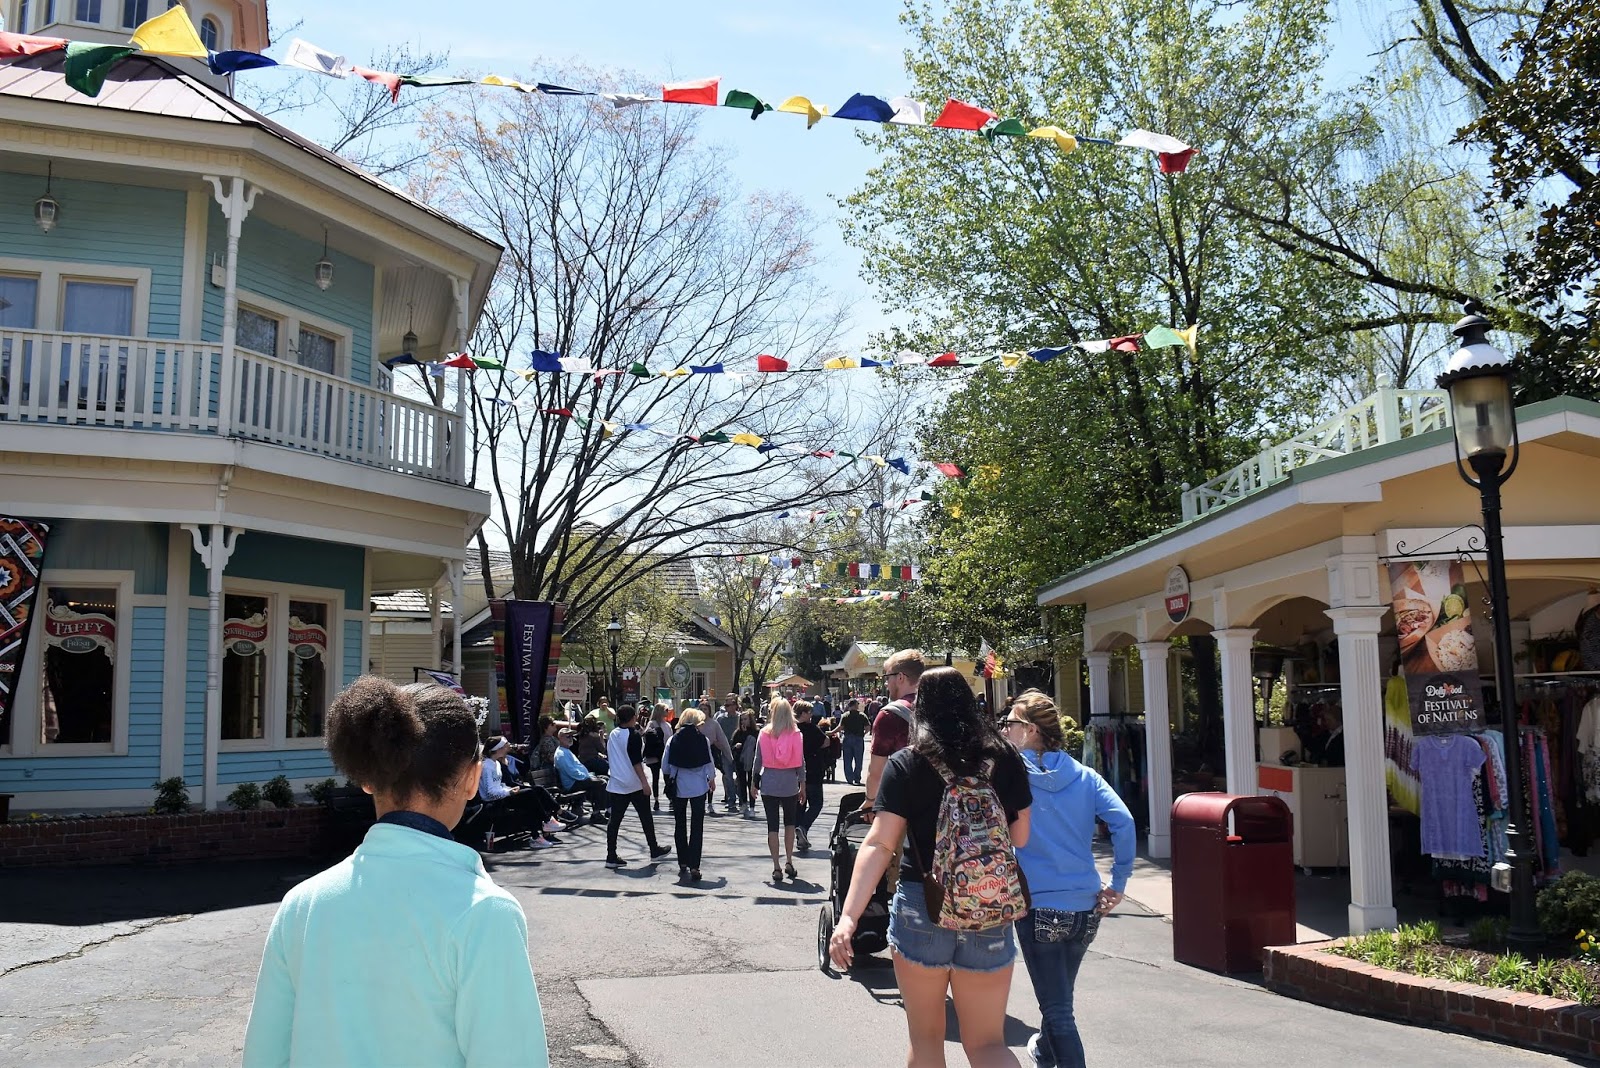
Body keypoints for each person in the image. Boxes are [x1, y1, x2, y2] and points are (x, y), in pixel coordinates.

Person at [242, 678, 548, 1067]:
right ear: (473, 778)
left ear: (367, 778)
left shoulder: (302, 905)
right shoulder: (484, 913)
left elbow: (264, 1054)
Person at [829, 667, 1032, 1068]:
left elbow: (880, 844)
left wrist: (848, 918)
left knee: (926, 1041)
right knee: (988, 1044)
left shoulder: (907, 762)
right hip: (989, 903)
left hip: (922, 905)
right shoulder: (1005, 757)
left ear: (921, 708)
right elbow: (1021, 837)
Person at [1002, 690, 1133, 1068]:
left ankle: (1053, 1053)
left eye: (1010, 723)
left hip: (1038, 904)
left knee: (1058, 1009)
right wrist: (1118, 883)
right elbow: (1123, 822)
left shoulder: (1012, 777)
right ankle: (1045, 1052)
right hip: (1084, 906)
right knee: (1058, 1000)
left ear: (1030, 730)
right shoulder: (1085, 776)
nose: (1005, 729)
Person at [604, 704, 671, 869]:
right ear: (633, 717)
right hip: (634, 782)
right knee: (645, 817)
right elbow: (636, 761)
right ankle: (653, 848)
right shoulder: (633, 735)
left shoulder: (613, 734)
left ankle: (611, 855)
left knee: (614, 821)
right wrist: (644, 782)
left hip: (617, 782)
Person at [861, 649, 926, 821]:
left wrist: (870, 800)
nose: (886, 684)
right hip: (948, 801)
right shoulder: (940, 706)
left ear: (900, 677)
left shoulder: (890, 715)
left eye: (887, 677)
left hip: (910, 805)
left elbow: (876, 770)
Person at [753, 696, 805, 881]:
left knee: (772, 826)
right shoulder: (796, 734)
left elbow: (758, 760)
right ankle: (789, 860)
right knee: (790, 823)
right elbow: (801, 762)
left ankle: (776, 866)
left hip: (769, 782)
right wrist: (803, 785)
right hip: (789, 782)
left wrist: (753, 783)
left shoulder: (764, 733)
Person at [664, 708, 718, 882]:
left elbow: (665, 765)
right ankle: (695, 864)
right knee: (697, 826)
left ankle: (682, 860)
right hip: (699, 787)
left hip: (679, 786)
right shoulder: (703, 740)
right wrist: (711, 779)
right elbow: (709, 763)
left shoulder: (673, 739)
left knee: (680, 824)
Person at [479, 737, 562, 851]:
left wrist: (508, 789)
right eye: (505, 747)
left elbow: (499, 784)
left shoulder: (496, 763)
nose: (507, 749)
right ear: (498, 749)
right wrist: (509, 791)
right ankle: (546, 822)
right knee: (529, 794)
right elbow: (490, 792)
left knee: (534, 793)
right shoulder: (486, 766)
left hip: (503, 795)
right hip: (494, 801)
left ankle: (537, 835)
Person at [554, 728, 610, 823]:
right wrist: (587, 777)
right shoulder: (561, 754)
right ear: (560, 738)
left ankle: (608, 810)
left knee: (605, 778)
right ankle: (597, 813)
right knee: (601, 783)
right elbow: (573, 772)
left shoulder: (567, 751)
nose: (570, 738)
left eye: (571, 736)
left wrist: (588, 776)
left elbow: (578, 768)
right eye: (568, 736)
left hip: (578, 780)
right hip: (572, 784)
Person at [795, 701, 828, 852]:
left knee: (800, 805)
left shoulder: (792, 730)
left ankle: (801, 838)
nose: (811, 715)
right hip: (812, 770)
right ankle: (803, 827)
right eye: (809, 712)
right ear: (802, 713)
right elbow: (826, 741)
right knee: (816, 804)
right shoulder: (812, 729)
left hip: (795, 771)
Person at [715, 694, 743, 810]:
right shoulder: (721, 719)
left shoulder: (740, 718)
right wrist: (719, 745)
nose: (726, 707)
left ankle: (742, 798)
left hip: (738, 751)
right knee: (728, 776)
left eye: (728, 705)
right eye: (725, 705)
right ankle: (731, 799)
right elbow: (715, 733)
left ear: (735, 705)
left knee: (740, 776)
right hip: (725, 751)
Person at [643, 704, 673, 810]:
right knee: (655, 777)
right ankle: (656, 800)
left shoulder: (668, 725)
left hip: (665, 754)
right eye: (666, 710)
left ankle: (670, 797)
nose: (667, 712)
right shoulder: (652, 724)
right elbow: (646, 737)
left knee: (667, 777)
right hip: (655, 755)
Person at [732, 710, 760, 815]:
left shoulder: (756, 732)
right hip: (740, 761)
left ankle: (752, 806)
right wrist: (736, 746)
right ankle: (744, 804)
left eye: (745, 719)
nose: (743, 721)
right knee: (742, 783)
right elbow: (732, 746)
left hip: (752, 761)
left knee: (752, 783)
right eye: (741, 720)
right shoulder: (737, 733)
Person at [839, 699, 870, 785]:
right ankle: (857, 778)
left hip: (847, 738)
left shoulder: (845, 716)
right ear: (855, 705)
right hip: (858, 739)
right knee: (858, 760)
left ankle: (849, 779)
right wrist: (863, 734)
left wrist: (831, 732)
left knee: (847, 760)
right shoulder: (862, 715)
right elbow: (868, 727)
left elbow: (841, 727)